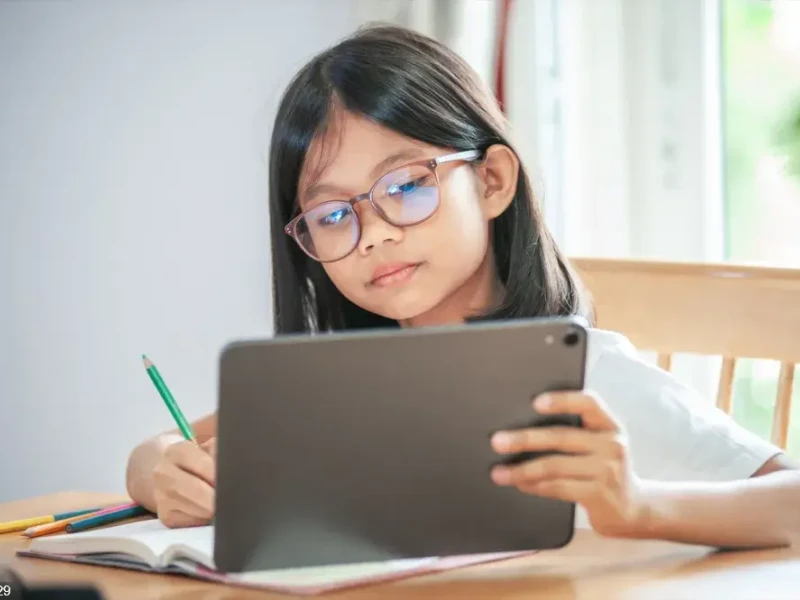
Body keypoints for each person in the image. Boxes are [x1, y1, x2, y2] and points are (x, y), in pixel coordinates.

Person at [126, 25, 799, 547]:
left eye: (407, 186)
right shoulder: (339, 385)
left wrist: (639, 504)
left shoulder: (583, 376)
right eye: (333, 215)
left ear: (492, 180)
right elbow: (154, 452)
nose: (376, 234)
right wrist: (165, 473)